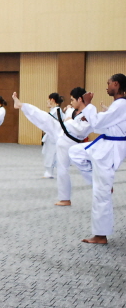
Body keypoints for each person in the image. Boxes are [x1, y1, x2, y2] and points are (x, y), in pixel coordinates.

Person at [68, 73, 126, 245]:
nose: (106, 87)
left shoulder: (121, 104)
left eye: (108, 83)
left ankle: (100, 235)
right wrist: (91, 112)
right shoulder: (118, 105)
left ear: (116, 84)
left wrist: (88, 105)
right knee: (75, 152)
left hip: (110, 149)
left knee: (101, 193)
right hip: (105, 145)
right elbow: (102, 123)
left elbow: (98, 123)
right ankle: (99, 182)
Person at [13, 88, 91, 207]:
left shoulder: (87, 114)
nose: (70, 102)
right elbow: (67, 116)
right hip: (62, 135)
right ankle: (22, 105)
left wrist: (69, 121)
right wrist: (69, 114)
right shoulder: (72, 111)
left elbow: (82, 131)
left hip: (71, 141)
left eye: (72, 100)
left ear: (80, 99)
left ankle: (101, 185)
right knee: (44, 118)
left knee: (72, 168)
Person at [42, 93, 65, 178]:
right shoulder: (54, 110)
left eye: (48, 100)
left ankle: (50, 172)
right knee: (49, 153)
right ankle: (49, 171)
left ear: (52, 100)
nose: (47, 102)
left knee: (51, 154)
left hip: (54, 136)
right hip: (51, 135)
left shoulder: (57, 110)